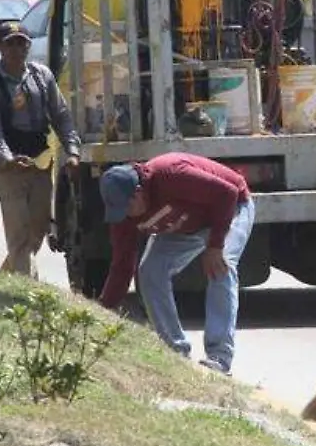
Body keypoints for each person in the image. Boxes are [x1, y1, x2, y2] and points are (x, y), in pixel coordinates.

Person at [96, 154, 255, 375]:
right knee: (150, 271)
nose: (126, 216)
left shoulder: (171, 174)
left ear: (139, 192)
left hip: (229, 210)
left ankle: (219, 357)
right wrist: (102, 310)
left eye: (127, 208)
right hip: (185, 225)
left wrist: (216, 245)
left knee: (221, 267)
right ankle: (175, 350)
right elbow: (122, 265)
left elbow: (227, 194)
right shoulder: (123, 216)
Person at [0, 19, 80, 279]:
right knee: (18, 235)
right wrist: (7, 159)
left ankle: (5, 281)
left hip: (41, 163)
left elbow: (61, 116)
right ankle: (29, 295)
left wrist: (73, 151)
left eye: (22, 43)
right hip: (10, 169)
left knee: (36, 233)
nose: (17, 50)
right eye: (10, 44)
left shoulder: (42, 76)